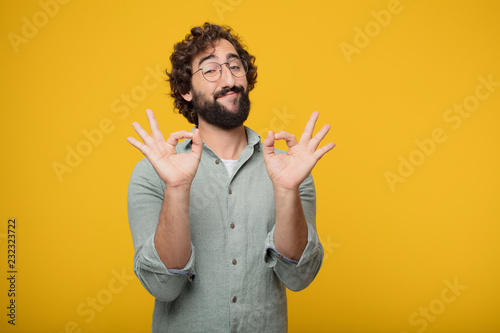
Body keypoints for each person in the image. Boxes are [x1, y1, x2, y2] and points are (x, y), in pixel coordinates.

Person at [126, 22, 335, 333]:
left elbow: (299, 278)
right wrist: (177, 188)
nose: (229, 79)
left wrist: (288, 190)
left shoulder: (288, 168)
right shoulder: (151, 174)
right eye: (210, 70)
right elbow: (164, 287)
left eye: (235, 66)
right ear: (186, 90)